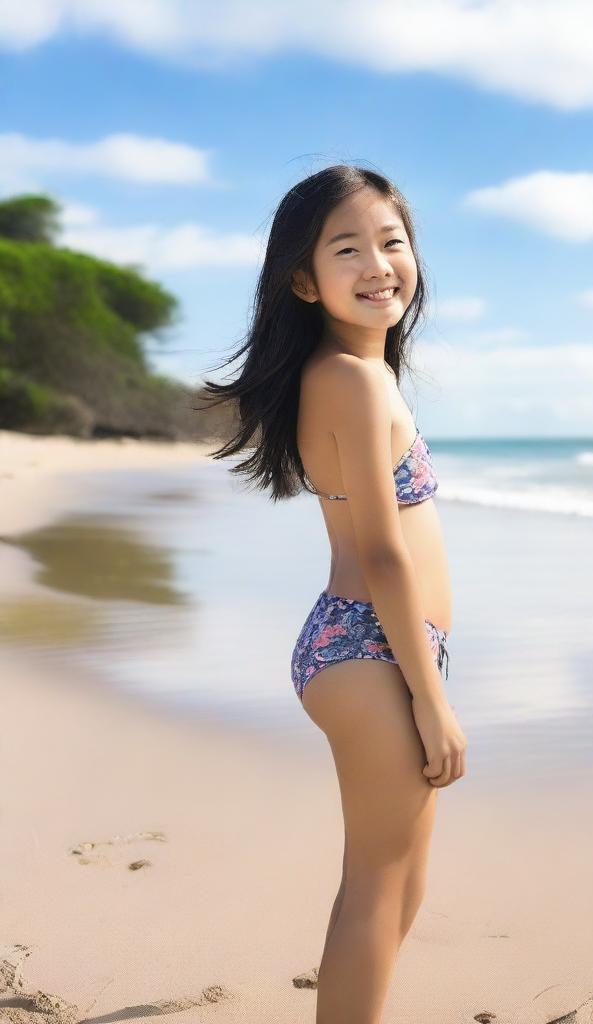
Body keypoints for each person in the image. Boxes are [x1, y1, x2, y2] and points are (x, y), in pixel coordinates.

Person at [197, 163, 467, 1023]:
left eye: (392, 242)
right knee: (375, 889)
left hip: (376, 646)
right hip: (372, 646)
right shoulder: (350, 379)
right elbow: (384, 556)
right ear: (304, 280)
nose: (379, 263)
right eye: (349, 248)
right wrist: (431, 700)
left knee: (401, 884)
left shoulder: (354, 372)